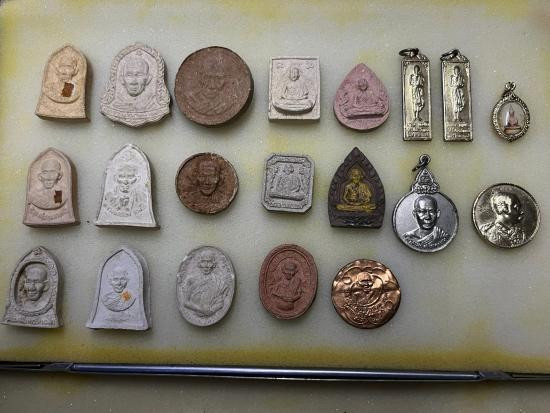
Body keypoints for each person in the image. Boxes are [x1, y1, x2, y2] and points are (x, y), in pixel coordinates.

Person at [183, 252, 228, 317]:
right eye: (203, 262)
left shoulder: (220, 283)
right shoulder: (191, 280)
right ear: (199, 264)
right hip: (197, 313)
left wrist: (212, 310)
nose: (206, 265)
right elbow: (185, 302)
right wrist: (202, 310)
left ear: (214, 264)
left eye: (209, 262)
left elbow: (220, 303)